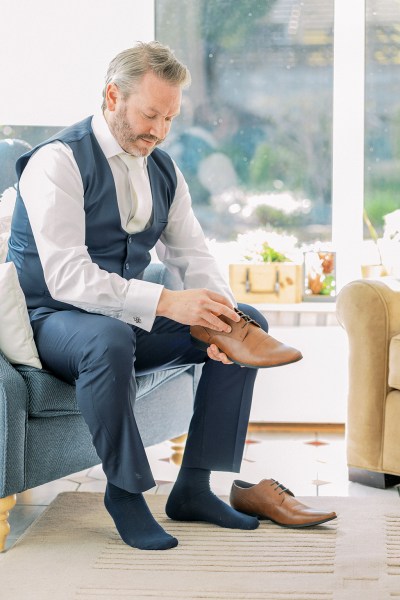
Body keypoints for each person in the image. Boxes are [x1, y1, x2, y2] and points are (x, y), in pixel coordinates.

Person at [7, 41, 335, 551]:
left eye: (170, 118)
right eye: (150, 114)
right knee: (108, 339)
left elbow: (193, 255)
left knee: (244, 322)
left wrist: (219, 319)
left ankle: (194, 485)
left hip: (126, 317)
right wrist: (167, 303)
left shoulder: (162, 168)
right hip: (55, 320)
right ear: (113, 96)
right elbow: (66, 276)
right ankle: (126, 493)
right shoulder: (57, 162)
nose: (159, 131)